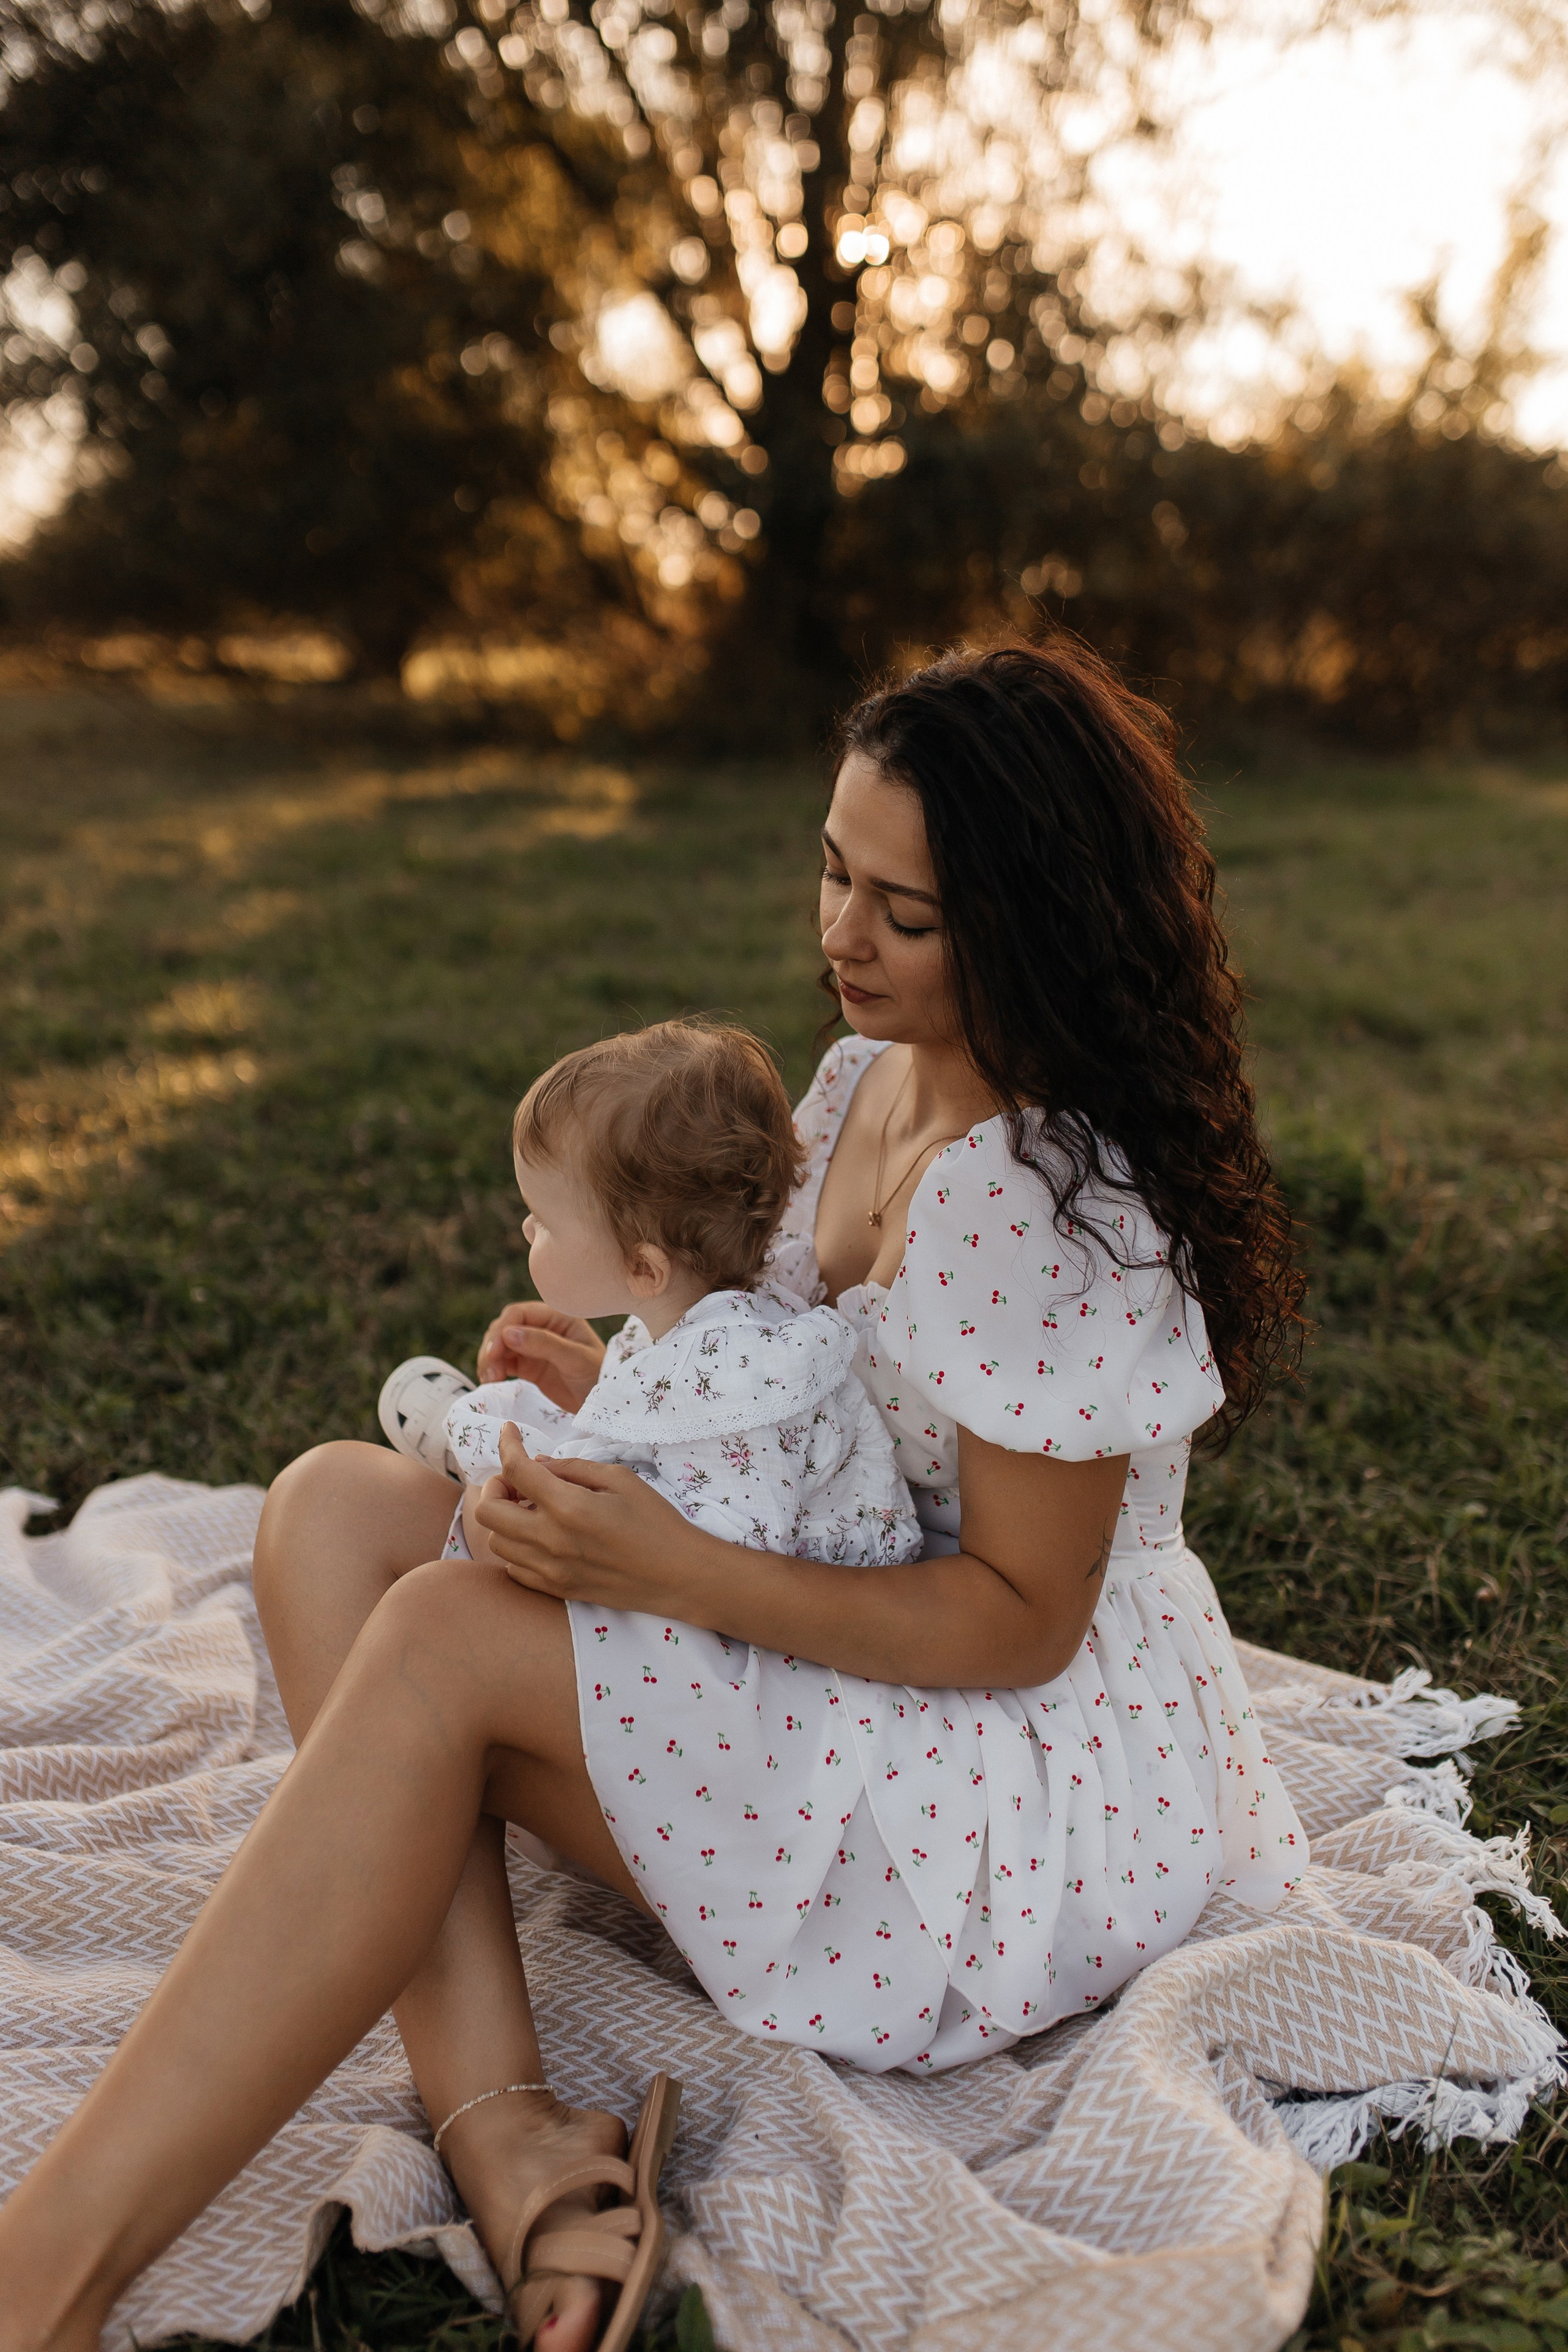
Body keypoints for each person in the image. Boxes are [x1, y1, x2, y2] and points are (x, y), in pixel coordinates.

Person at [0, 635, 1308, 2352]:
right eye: (836, 872)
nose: (843, 934)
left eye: (904, 913)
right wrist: (626, 1409)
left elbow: (1018, 1620)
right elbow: (817, 1413)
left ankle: (45, 2279)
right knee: (333, 1506)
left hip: (997, 1788)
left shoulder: (1042, 1204)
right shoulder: (861, 1085)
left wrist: (675, 1570)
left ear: (1037, 925)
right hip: (818, 1599)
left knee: (448, 1636)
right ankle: (509, 2136)